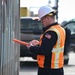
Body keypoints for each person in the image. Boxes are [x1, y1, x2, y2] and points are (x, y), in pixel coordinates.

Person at [26, 5, 66, 75]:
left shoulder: (51, 32)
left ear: (47, 18)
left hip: (48, 69)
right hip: (57, 68)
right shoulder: (60, 29)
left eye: (42, 20)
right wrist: (39, 43)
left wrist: (31, 48)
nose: (42, 22)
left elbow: (44, 50)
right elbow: (54, 45)